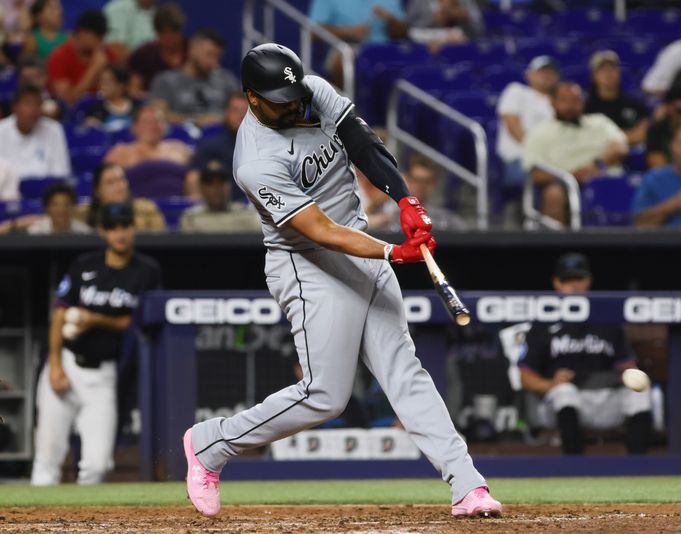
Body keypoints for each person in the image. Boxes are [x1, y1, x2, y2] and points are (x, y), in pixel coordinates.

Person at [182, 43, 502, 519]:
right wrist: (395, 251)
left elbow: (362, 142)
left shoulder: (310, 90)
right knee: (325, 396)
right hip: (308, 264)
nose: (293, 103)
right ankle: (212, 442)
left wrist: (406, 200)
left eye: (294, 92)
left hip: (360, 245)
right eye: (279, 98)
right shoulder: (255, 161)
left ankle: (468, 485)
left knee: (405, 370)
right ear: (252, 98)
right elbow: (322, 232)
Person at [30, 202, 162, 485]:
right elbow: (60, 313)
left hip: (104, 373)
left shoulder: (146, 271)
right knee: (46, 458)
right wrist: (54, 366)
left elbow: (138, 322)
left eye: (125, 226)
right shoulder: (84, 264)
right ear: (102, 231)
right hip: (67, 362)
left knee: (98, 464)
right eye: (113, 227)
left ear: (133, 228)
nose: (120, 233)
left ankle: (84, 523)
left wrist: (94, 318)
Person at [518, 253, 652, 455]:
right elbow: (525, 376)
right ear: (557, 283)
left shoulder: (607, 318)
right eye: (567, 280)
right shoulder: (543, 323)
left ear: (588, 280)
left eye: (578, 279)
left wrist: (630, 375)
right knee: (565, 392)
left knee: (640, 394)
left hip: (605, 398)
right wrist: (551, 384)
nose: (574, 286)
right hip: (562, 402)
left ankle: (640, 467)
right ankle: (574, 467)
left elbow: (626, 364)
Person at [522, 81, 628, 225]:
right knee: (553, 195)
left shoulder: (600, 122)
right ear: (552, 102)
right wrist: (572, 176)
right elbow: (535, 173)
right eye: (564, 100)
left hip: (606, 177)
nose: (571, 105)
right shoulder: (539, 133)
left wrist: (597, 164)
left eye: (576, 100)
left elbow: (621, 147)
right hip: (565, 184)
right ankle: (557, 245)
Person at [149, 29, 238, 126]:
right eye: (209, 54)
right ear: (192, 48)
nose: (213, 62)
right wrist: (197, 121)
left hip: (223, 137)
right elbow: (159, 115)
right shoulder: (166, 80)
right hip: (181, 138)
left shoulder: (226, 80)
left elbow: (244, 111)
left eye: (217, 57)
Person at [309, 0, 405, 87]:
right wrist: (350, 32)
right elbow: (313, 32)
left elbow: (404, 33)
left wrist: (390, 20)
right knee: (344, 63)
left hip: (386, 49)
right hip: (347, 47)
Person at [496, 55, 558, 189]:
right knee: (559, 177)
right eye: (541, 71)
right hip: (519, 158)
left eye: (551, 72)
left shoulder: (559, 101)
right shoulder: (516, 91)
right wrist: (536, 151)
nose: (546, 75)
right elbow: (512, 125)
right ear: (529, 74)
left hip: (552, 159)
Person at [364, 153, 469, 231]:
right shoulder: (391, 217)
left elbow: (464, 232)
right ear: (407, 180)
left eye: (426, 181)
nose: (420, 186)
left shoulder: (444, 219)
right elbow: (360, 229)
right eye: (416, 180)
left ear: (433, 184)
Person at [46, 9, 119, 106]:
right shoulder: (59, 57)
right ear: (83, 33)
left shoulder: (107, 54)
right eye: (98, 36)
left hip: (103, 111)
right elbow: (67, 101)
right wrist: (94, 69)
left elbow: (121, 92)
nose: (102, 41)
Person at [185, 92, 248, 200]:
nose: (240, 116)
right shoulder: (210, 146)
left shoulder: (264, 146)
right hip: (219, 208)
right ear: (226, 113)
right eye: (235, 110)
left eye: (245, 111)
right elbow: (193, 179)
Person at [0, 85, 70, 180]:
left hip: (45, 191)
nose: (33, 110)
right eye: (28, 104)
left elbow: (61, 173)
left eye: (38, 104)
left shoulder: (54, 129)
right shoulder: (1, 130)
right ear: (15, 107)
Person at [76, 162, 166, 232]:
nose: (119, 186)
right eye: (110, 182)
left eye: (121, 179)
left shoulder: (147, 210)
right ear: (98, 191)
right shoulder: (83, 214)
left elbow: (160, 240)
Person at [585, 50, 649, 146]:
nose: (609, 74)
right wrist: (630, 135)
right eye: (603, 69)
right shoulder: (586, 107)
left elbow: (642, 135)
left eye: (613, 68)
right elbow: (587, 138)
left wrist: (605, 137)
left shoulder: (635, 104)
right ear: (594, 76)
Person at [179, 160, 261, 233]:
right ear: (202, 188)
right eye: (211, 184)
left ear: (228, 187)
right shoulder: (191, 219)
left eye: (221, 183)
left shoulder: (246, 215)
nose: (216, 188)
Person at [103, 103, 192, 169]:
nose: (152, 126)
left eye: (156, 121)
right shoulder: (120, 153)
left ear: (165, 126)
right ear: (134, 127)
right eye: (145, 122)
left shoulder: (180, 149)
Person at [127, 2, 186, 97]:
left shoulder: (192, 51)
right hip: (153, 107)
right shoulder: (143, 54)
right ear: (156, 32)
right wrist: (157, 100)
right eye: (164, 33)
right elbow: (133, 91)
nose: (169, 38)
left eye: (173, 32)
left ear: (180, 31)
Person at [392, 0, 483, 51]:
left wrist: (464, 18)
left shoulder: (465, 2)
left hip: (458, 45)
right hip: (424, 43)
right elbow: (407, 28)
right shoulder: (419, 2)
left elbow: (479, 30)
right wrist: (432, 21)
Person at [82, 64, 140, 134]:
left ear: (121, 85)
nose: (103, 85)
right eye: (101, 81)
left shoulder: (138, 108)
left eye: (108, 81)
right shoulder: (95, 110)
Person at [27, 182, 92, 234]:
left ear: (74, 207)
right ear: (46, 208)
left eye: (66, 204)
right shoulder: (35, 232)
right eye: (55, 205)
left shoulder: (84, 233)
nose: (61, 209)